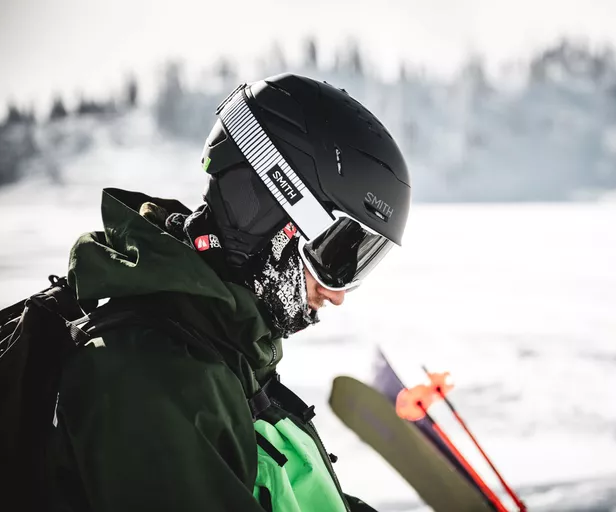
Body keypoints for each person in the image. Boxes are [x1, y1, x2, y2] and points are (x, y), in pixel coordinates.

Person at [49, 73, 411, 512]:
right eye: (335, 259)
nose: (338, 296)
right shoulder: (152, 378)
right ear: (271, 212)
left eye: (359, 264)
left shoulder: (225, 349)